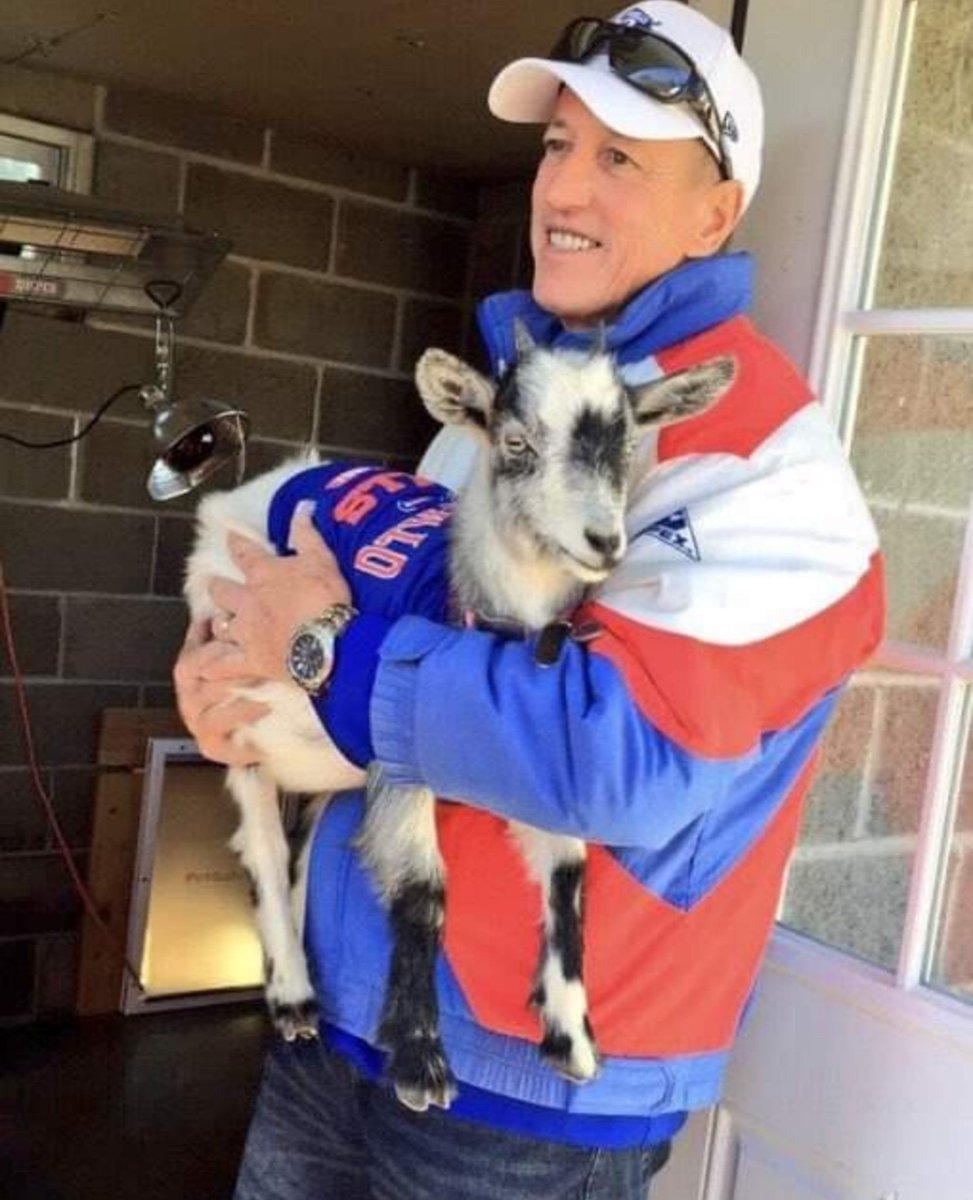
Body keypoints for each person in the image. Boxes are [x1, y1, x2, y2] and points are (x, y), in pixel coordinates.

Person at [173, 4, 885, 1197]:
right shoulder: (503, 410)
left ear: (717, 212)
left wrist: (318, 654)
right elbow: (390, 650)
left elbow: (619, 751)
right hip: (353, 1013)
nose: (565, 185)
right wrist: (239, 684)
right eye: (557, 145)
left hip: (529, 1091)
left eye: (619, 157)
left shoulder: (766, 467)